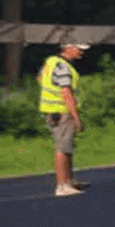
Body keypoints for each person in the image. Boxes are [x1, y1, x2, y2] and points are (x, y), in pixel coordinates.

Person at [38, 42, 90, 197]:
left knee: (67, 145)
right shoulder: (62, 67)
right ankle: (62, 186)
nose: (81, 52)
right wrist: (75, 116)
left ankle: (68, 181)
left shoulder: (51, 61)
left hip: (51, 110)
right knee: (62, 148)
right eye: (79, 49)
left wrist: (50, 92)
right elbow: (66, 92)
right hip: (61, 111)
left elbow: (40, 78)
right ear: (68, 48)